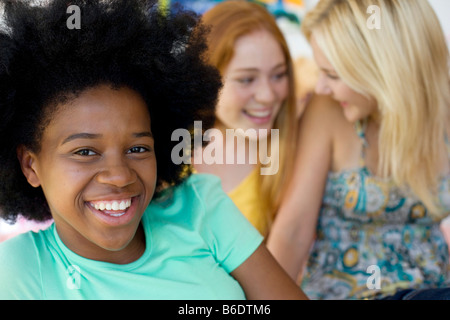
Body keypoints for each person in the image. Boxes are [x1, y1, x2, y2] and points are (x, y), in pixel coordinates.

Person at [0, 0, 308, 300]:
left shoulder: (197, 206)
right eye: (85, 152)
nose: (120, 176)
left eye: (137, 148)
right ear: (30, 165)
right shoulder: (23, 268)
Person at [267, 0, 450, 299]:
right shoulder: (326, 110)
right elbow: (293, 232)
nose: (322, 87)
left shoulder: (444, 110)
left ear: (382, 71)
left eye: (334, 75)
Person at [193, 0, 299, 237]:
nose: (267, 95)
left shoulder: (296, 154)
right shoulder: (166, 149)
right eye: (247, 79)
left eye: (279, 75)